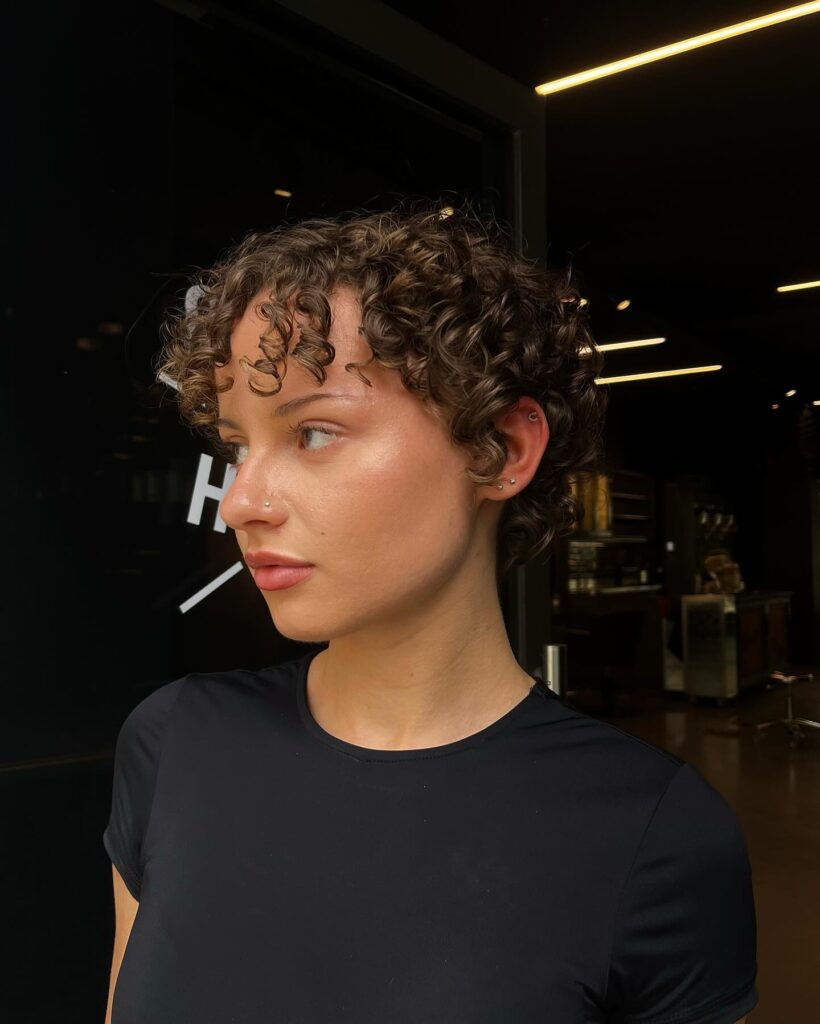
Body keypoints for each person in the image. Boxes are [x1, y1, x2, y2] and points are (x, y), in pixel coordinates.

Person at [103, 197, 757, 1023]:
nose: (241, 502)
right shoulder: (174, 744)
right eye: (238, 445)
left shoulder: (651, 837)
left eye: (312, 433)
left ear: (501, 450)